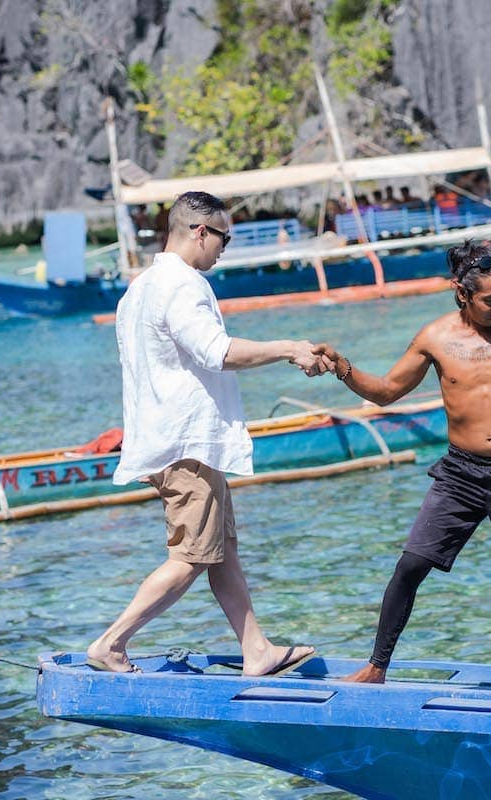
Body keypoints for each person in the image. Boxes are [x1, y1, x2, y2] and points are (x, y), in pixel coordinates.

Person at [313, 240, 491, 697]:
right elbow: (385, 392)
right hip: (461, 474)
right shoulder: (435, 338)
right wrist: (343, 367)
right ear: (461, 292)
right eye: (489, 300)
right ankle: (376, 667)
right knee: (411, 565)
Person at [86, 190, 323, 677]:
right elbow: (217, 351)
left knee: (221, 550)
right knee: (191, 558)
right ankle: (111, 642)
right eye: (223, 238)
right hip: (186, 443)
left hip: (168, 439)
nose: (224, 248)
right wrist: (288, 348)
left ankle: (256, 649)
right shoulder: (182, 284)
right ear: (199, 231)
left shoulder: (140, 287)